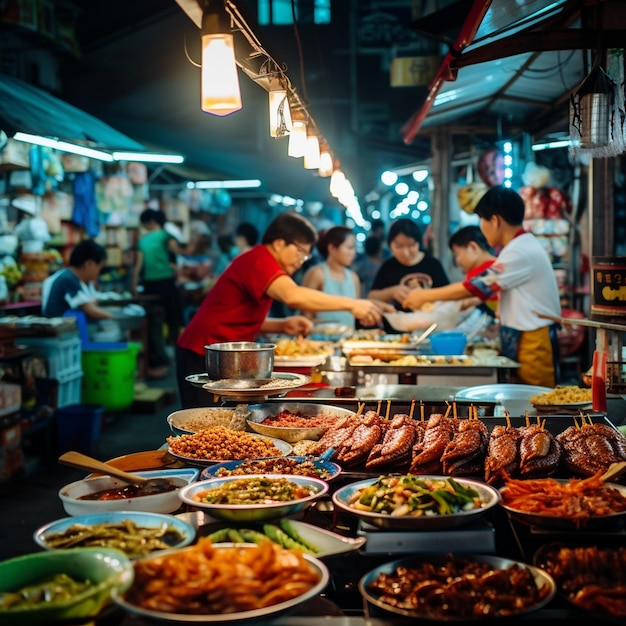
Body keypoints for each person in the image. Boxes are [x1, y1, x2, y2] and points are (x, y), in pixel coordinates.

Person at [176, 212, 385, 408]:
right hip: (203, 353)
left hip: (224, 355)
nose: (301, 260)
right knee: (204, 427)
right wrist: (352, 304)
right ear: (278, 243)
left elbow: (241, 318)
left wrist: (283, 325)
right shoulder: (259, 259)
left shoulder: (261, 261)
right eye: (301, 251)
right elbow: (292, 296)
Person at [403, 186, 561, 387]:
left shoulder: (520, 251)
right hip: (524, 339)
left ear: (494, 220)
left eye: (482, 220)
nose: (482, 228)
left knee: (537, 405)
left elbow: (477, 286)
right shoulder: (518, 247)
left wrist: (424, 296)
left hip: (534, 342)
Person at [132, 208, 188, 377]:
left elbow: (138, 266)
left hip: (149, 285)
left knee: (154, 321)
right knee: (174, 319)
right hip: (166, 283)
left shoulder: (142, 241)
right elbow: (177, 251)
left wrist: (134, 284)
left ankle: (160, 356)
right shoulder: (165, 235)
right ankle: (178, 356)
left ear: (149, 223)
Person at [368, 218, 449, 331]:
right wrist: (391, 292)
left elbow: (448, 296)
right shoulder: (388, 266)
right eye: (399, 246)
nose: (405, 252)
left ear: (418, 243)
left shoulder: (432, 264)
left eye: (411, 245)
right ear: (390, 244)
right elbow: (372, 297)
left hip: (430, 329)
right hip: (395, 331)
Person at [302, 226, 360, 328]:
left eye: (354, 248)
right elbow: (306, 315)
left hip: (349, 340)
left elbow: (357, 312)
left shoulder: (354, 278)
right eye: (349, 248)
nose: (353, 253)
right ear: (332, 248)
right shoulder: (317, 274)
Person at [41, 239, 114, 320]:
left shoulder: (78, 279)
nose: (98, 273)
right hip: (61, 329)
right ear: (89, 264)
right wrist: (114, 317)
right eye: (99, 268)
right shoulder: (68, 278)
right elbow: (90, 309)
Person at [447, 225, 497, 315]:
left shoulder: (483, 272)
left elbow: (463, 291)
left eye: (457, 254)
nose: (457, 261)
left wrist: (423, 296)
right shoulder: (496, 264)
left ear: (473, 247)